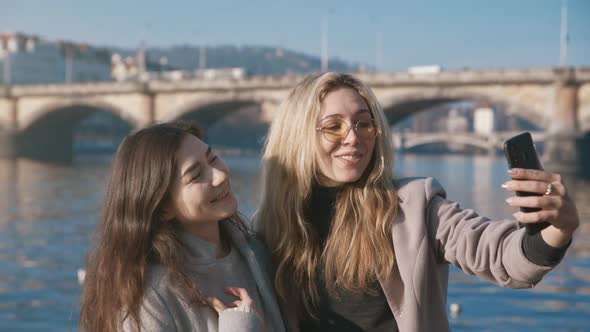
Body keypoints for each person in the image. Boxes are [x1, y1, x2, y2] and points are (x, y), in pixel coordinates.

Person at [255, 72, 580, 332]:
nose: (352, 137)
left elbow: (501, 256)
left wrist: (557, 228)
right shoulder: (265, 229)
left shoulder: (415, 207)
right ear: (298, 136)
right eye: (333, 127)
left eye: (363, 124)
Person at [80, 122, 287, 332]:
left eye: (212, 158)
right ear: (162, 208)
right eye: (196, 176)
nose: (220, 175)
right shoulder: (147, 297)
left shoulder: (256, 252)